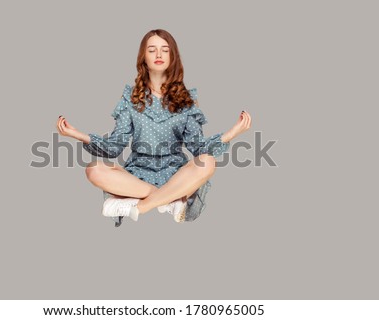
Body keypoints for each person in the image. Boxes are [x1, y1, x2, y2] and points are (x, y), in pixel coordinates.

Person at [56, 29, 251, 227]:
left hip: (176, 174)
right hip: (136, 175)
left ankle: (139, 207)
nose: (158, 55)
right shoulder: (130, 98)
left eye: (165, 50)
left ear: (172, 56)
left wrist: (231, 134)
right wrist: (77, 135)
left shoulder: (187, 100)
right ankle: (171, 200)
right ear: (144, 58)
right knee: (94, 169)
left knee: (208, 162)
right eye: (152, 50)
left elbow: (198, 148)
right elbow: (114, 147)